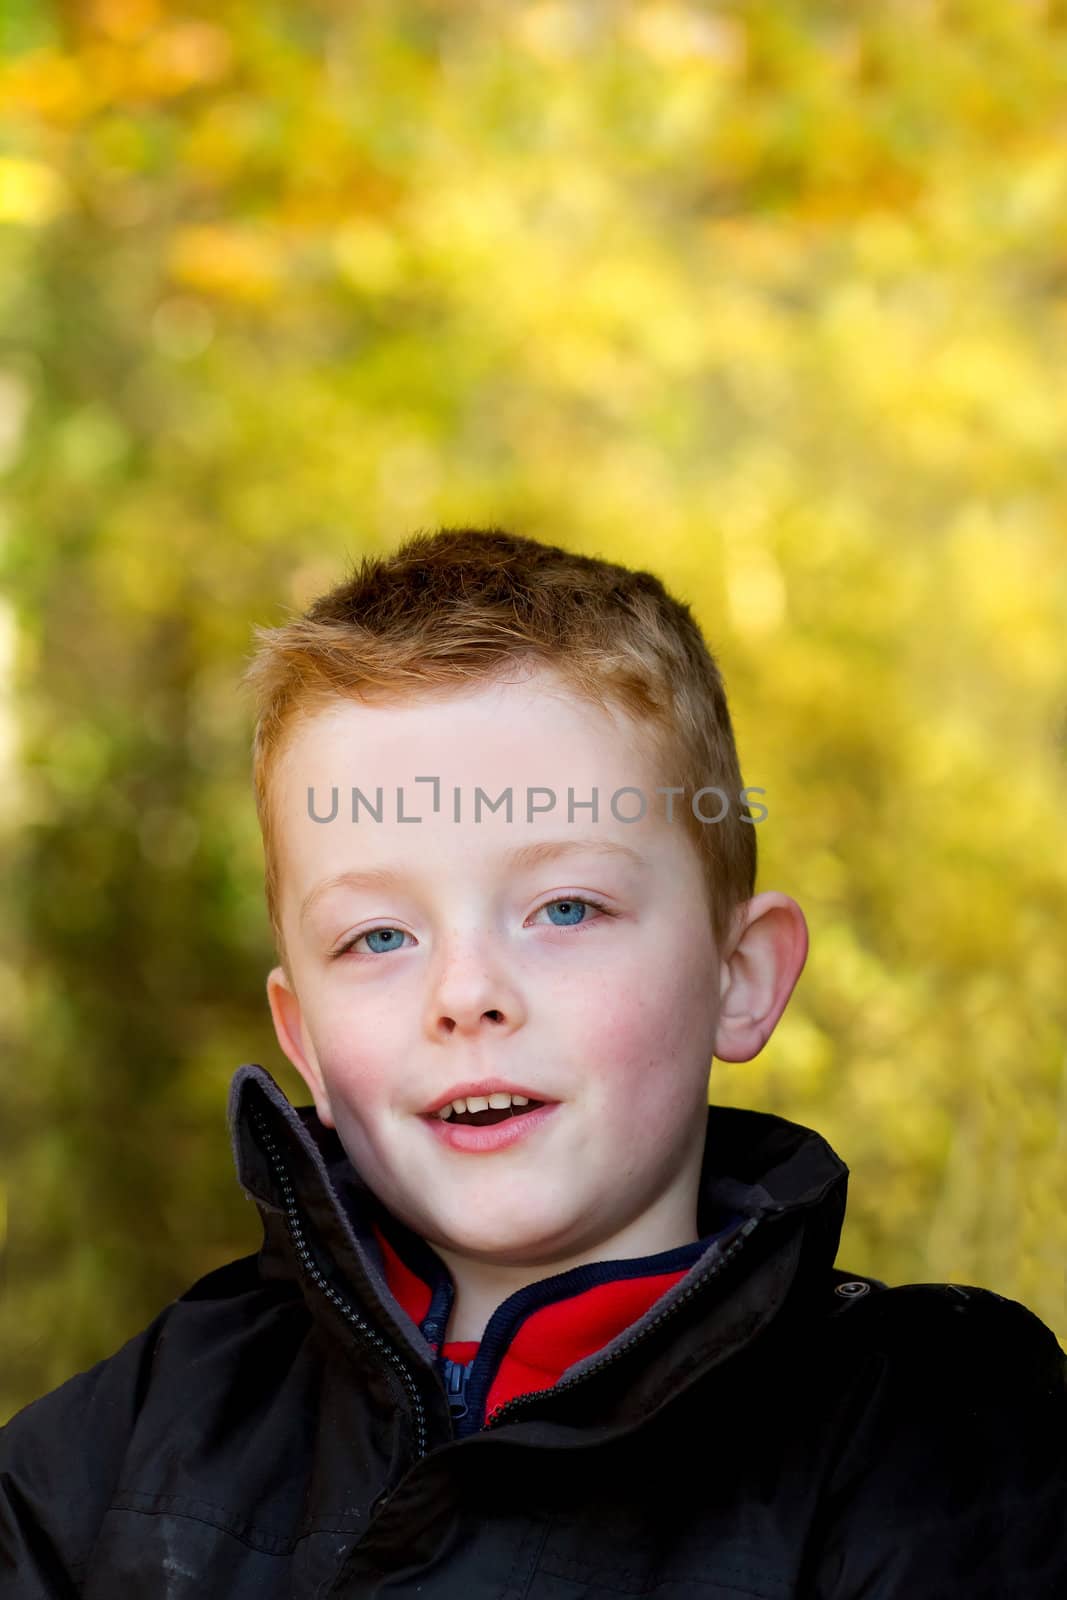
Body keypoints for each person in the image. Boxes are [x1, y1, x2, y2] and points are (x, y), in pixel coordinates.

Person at [1, 526, 1064, 1599]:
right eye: (377, 936)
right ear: (302, 1040)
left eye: (564, 907)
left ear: (737, 975)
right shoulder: (146, 1428)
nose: (465, 993)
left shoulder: (930, 1433)